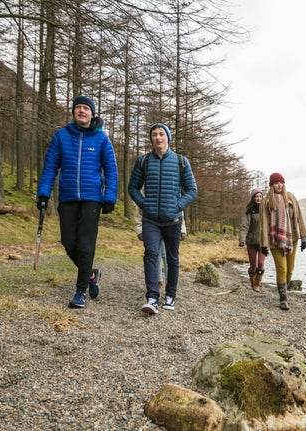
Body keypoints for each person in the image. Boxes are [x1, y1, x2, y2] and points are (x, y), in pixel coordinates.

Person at [36, 95, 117, 308]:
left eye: (86, 108)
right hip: (68, 197)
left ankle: (80, 292)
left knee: (86, 245)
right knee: (68, 242)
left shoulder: (102, 140)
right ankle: (91, 274)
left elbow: (111, 171)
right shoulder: (61, 137)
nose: (81, 111)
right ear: (73, 112)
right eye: (78, 108)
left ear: (92, 113)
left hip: (92, 198)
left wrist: (109, 197)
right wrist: (43, 193)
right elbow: (50, 168)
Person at [128, 122, 197, 315]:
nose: (158, 138)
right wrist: (144, 204)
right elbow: (132, 187)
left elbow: (192, 190)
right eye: (154, 135)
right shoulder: (143, 161)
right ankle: (152, 298)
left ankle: (170, 295)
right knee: (151, 255)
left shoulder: (181, 161)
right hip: (150, 220)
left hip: (173, 221)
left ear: (168, 137)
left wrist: (178, 206)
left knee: (172, 259)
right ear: (151, 139)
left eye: (161, 134)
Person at [260, 173, 306, 310]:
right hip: (274, 239)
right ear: (271, 185)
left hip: (291, 238)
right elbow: (263, 224)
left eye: (281, 182)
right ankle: (283, 299)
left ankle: (283, 289)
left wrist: (304, 236)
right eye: (276, 183)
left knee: (290, 270)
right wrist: (263, 244)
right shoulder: (266, 201)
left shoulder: (291, 197)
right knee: (282, 268)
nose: (279, 185)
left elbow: (299, 217)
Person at [134, 204, 187, 287]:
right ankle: (156, 281)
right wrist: (139, 229)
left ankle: (169, 285)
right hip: (152, 226)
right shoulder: (146, 191)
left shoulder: (174, 192)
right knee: (153, 254)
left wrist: (182, 228)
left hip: (170, 225)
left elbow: (179, 210)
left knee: (168, 256)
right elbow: (139, 208)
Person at [239, 188, 266, 292]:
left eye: (260, 196)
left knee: (261, 263)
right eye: (256, 196)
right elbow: (244, 227)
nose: (258, 198)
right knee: (253, 265)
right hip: (251, 242)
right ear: (253, 198)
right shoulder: (249, 211)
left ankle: (257, 284)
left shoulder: (266, 211)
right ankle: (252, 281)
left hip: (263, 242)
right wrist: (242, 239)